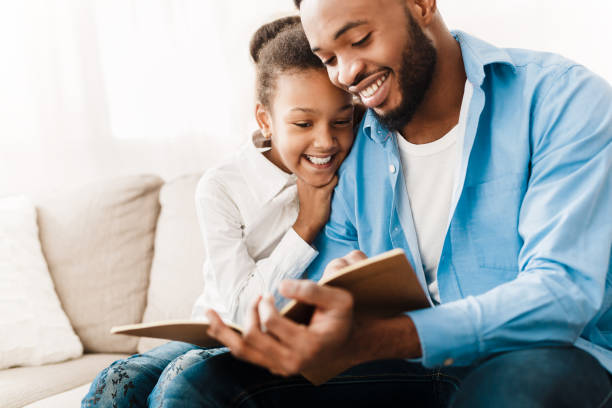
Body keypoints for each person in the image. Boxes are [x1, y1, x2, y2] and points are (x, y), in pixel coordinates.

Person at [198, 0, 612, 407]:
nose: (346, 74)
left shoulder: (559, 99)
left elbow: (562, 294)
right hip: (400, 366)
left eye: (359, 39)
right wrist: (338, 295)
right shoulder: (355, 148)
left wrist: (388, 335)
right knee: (203, 383)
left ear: (421, 4)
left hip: (541, 357)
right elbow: (329, 285)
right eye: (328, 59)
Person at [81, 16, 355, 407]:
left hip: (281, 338)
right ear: (266, 120)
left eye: (342, 120)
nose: (325, 141)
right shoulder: (222, 186)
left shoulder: (356, 162)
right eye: (302, 123)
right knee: (118, 379)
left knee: (185, 379)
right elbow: (241, 311)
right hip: (218, 327)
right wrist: (305, 225)